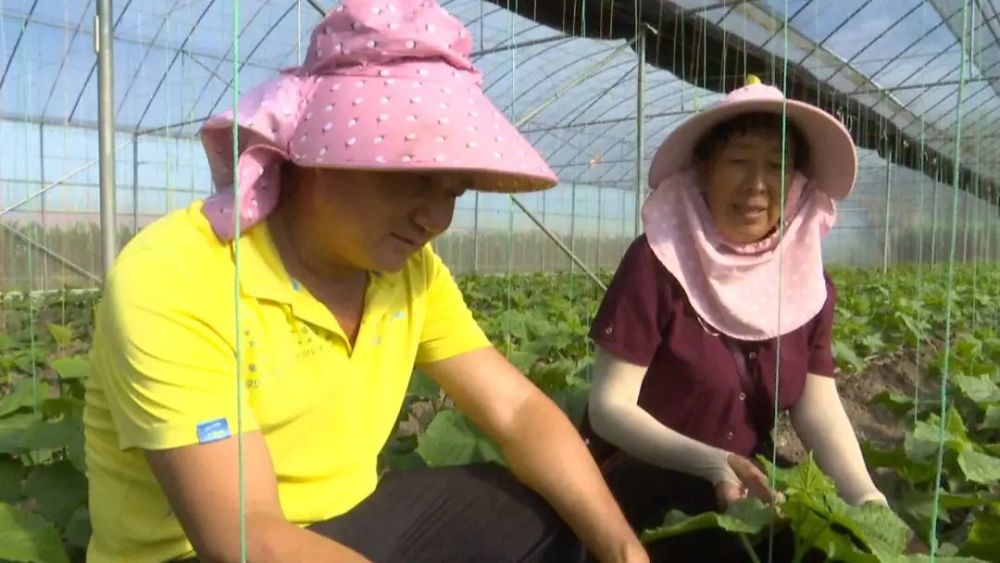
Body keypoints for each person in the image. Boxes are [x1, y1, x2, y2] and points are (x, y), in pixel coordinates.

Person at [82, 2, 648, 562]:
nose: (435, 219)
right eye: (414, 178)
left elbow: (517, 412)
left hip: (346, 523)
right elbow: (247, 539)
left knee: (542, 512)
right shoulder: (179, 274)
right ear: (317, 155)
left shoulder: (408, 271)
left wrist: (623, 549)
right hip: (206, 551)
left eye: (453, 190)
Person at [580, 77, 890, 562]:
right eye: (740, 162)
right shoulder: (657, 262)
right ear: (704, 169)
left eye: (776, 166)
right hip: (645, 481)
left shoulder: (806, 279)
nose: (758, 184)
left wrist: (868, 500)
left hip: (745, 477)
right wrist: (710, 463)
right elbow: (609, 408)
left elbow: (815, 405)